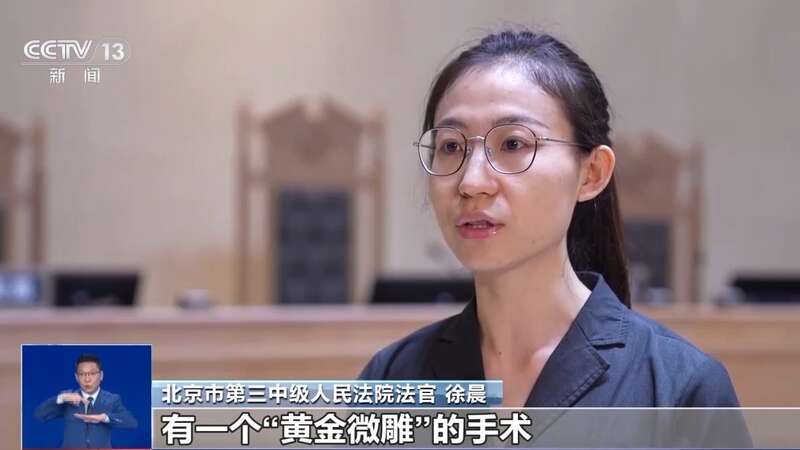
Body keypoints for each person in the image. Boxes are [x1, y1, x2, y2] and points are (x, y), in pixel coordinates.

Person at [359, 30, 742, 408]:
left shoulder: (679, 388)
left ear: (592, 173)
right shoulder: (391, 379)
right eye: (451, 146)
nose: (471, 182)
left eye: (513, 144)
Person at [34, 353, 138, 448]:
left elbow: (131, 423)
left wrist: (105, 418)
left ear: (101, 375)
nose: (87, 379)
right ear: (76, 377)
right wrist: (60, 398)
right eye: (82, 374)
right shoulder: (68, 398)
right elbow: (39, 415)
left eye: (92, 373)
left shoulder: (112, 399)